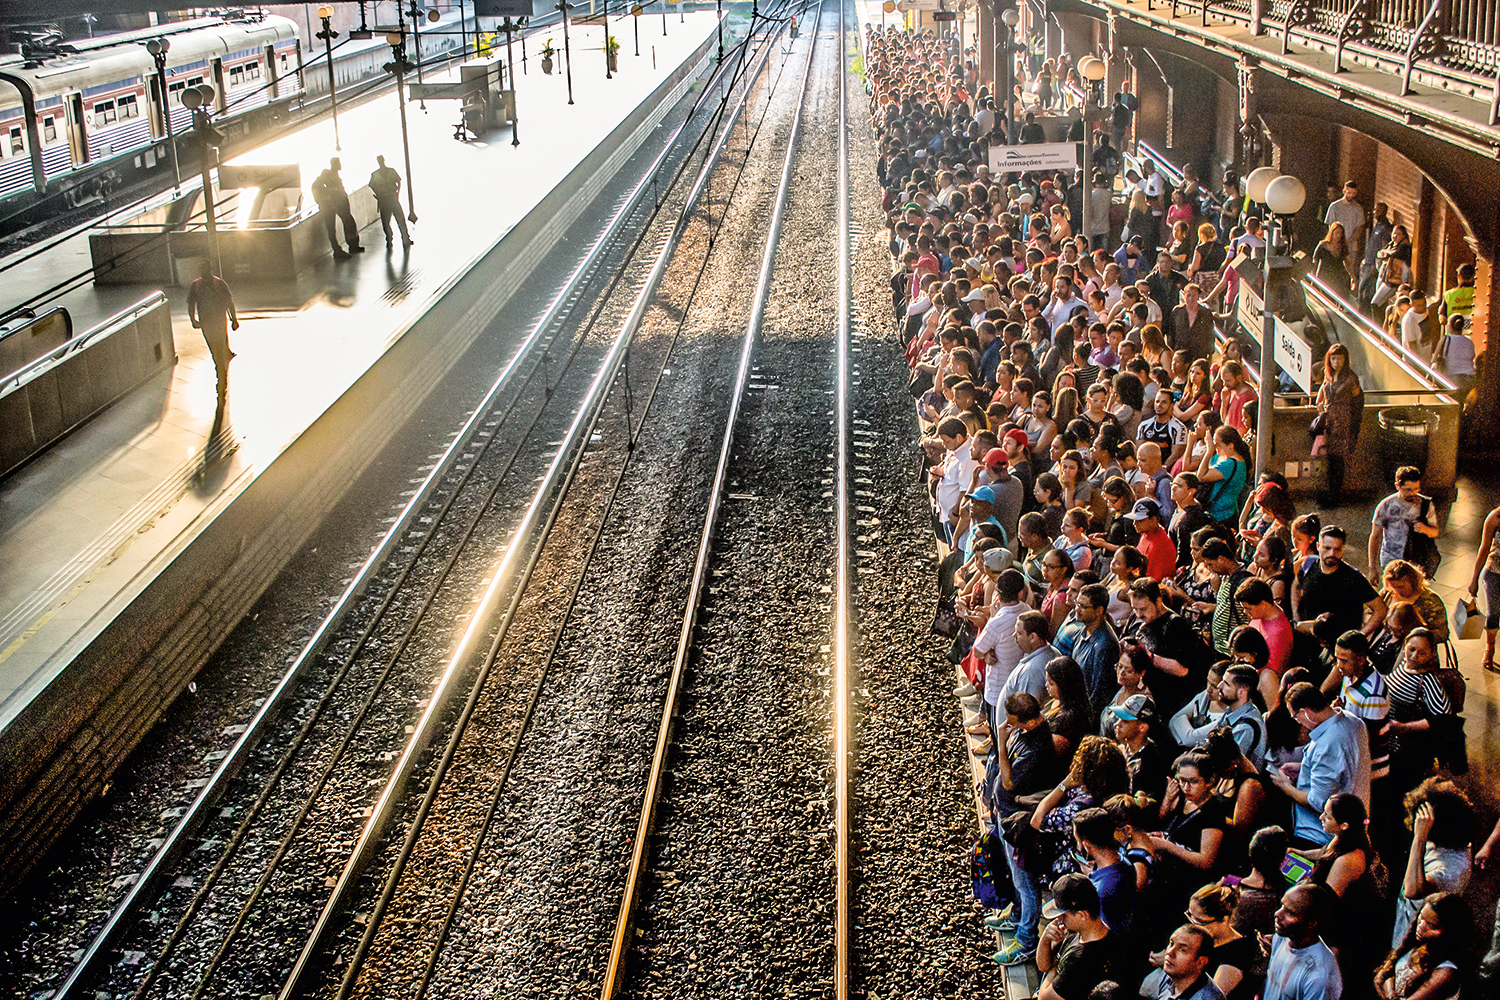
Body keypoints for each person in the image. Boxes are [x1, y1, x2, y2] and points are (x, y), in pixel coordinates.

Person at [1273, 682, 1371, 847]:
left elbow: (1318, 801)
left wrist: (1287, 788)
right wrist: (1302, 767)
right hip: (1353, 826)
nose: (1298, 722)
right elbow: (1345, 766)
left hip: (1317, 835)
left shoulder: (1327, 744)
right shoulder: (1355, 722)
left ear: (1306, 712)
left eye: (1296, 716)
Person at [1390, 778, 1476, 948]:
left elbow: (1412, 891)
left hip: (1419, 944)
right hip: (1404, 931)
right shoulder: (1441, 841)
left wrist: (1419, 837)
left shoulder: (1451, 868)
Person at [1374, 892, 1473, 1000]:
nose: (1421, 927)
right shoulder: (1414, 944)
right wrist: (1390, 990)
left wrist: (1389, 986)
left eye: (1431, 926)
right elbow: (1382, 976)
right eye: (1421, 917)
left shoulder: (1446, 971)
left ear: (1450, 932)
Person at [1294, 526, 1386, 639]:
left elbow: (1380, 609)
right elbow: (1296, 586)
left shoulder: (1353, 578)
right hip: (1309, 640)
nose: (1332, 553)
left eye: (1337, 549)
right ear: (1318, 546)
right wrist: (1296, 615)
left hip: (1338, 646)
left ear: (1343, 549)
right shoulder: (1309, 566)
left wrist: (1360, 635)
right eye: (1327, 548)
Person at [1037, 873, 1117, 1000]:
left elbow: (1044, 997)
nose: (1058, 918)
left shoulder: (1082, 959)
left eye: (1063, 914)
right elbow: (1043, 966)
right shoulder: (1075, 930)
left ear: (1082, 915)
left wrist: (1055, 968)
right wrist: (1045, 939)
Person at [1262, 884, 1342, 1000]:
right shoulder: (1282, 937)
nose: (1277, 914)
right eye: (1282, 906)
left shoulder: (1319, 977)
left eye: (1289, 912)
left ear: (1312, 923)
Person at [1369, 467, 1440, 581]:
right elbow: (1375, 536)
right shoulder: (1386, 506)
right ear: (1398, 486)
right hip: (1392, 561)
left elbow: (1435, 531)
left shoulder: (1426, 504)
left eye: (1416, 489)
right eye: (1408, 490)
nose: (1413, 493)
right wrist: (1372, 568)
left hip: (1416, 562)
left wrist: (1424, 529)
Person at [1314, 344, 1362, 506]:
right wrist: (1320, 405)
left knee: (1337, 459)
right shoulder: (1329, 375)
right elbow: (1321, 395)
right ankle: (1330, 493)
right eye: (1333, 358)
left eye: (1339, 358)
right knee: (1329, 458)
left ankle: (1335, 495)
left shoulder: (1350, 378)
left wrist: (1354, 422)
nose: (1336, 362)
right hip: (1329, 420)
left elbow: (1358, 400)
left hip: (1343, 421)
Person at [185, 260, 239, 405]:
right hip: (212, 322)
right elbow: (229, 302)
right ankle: (221, 374)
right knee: (216, 348)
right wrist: (234, 319)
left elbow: (191, 304)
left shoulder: (204, 284)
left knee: (216, 350)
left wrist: (193, 319)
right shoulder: (215, 283)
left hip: (211, 322)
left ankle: (220, 377)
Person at [1464, 501, 1500, 672]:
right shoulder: (1495, 517)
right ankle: (1489, 649)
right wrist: (1474, 579)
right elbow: (1484, 548)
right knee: (1494, 613)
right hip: (1495, 572)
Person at [1150, 925, 1225, 1000]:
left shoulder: (1207, 997)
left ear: (1201, 962)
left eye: (1182, 950)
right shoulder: (1167, 976)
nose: (1169, 952)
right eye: (1171, 944)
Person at [311, 157, 365, 258]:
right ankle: (338, 250)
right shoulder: (327, 174)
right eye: (338, 163)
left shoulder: (334, 175)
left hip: (340, 203)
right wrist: (331, 195)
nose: (340, 165)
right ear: (334, 164)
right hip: (333, 204)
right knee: (333, 228)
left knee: (349, 222)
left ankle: (353, 245)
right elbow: (320, 187)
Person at [368, 155, 412, 248]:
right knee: (389, 221)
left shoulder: (388, 172)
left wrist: (397, 193)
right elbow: (372, 185)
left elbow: (398, 181)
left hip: (391, 199)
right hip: (387, 199)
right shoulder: (377, 174)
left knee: (398, 219)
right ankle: (392, 239)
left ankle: (403, 238)